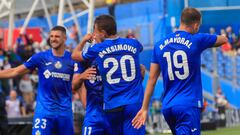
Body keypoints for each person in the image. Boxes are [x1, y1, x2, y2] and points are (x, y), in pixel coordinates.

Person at [132, 7, 228, 135]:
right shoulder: (197, 39)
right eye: (198, 26)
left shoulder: (159, 45)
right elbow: (223, 40)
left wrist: (144, 108)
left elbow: (152, 80)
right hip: (187, 105)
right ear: (195, 25)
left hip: (168, 107)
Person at [0, 26, 95, 135]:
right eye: (51, 36)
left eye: (57, 36)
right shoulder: (41, 57)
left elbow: (78, 86)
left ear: (65, 38)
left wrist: (87, 109)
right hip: (44, 114)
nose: (53, 39)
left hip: (64, 115)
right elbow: (15, 71)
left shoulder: (73, 60)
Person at [72, 15, 145, 135]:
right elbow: (139, 53)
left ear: (103, 33)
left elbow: (75, 55)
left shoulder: (98, 48)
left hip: (112, 105)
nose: (93, 34)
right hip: (133, 103)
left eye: (95, 31)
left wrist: (85, 40)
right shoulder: (134, 43)